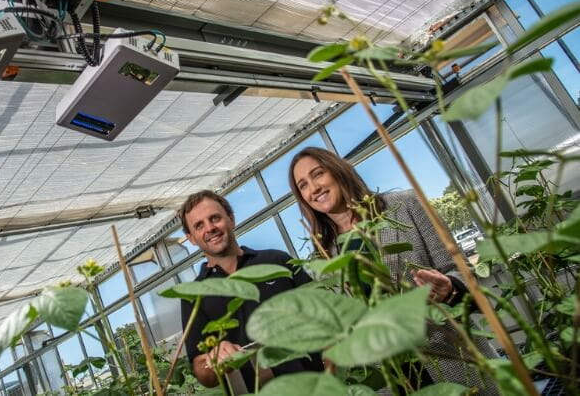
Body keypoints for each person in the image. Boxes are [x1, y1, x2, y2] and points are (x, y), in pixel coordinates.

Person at [288, 146, 498, 394]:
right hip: (392, 380)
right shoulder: (324, 258)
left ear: (338, 171)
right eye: (303, 185)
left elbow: (459, 269)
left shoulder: (405, 206)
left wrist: (449, 288)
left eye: (318, 174)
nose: (314, 188)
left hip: (450, 357)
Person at [178, 190, 324, 391]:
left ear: (231, 219)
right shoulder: (193, 296)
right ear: (192, 238)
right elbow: (202, 372)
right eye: (199, 225)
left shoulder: (277, 261)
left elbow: (323, 315)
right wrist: (213, 358)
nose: (210, 228)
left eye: (215, 218)